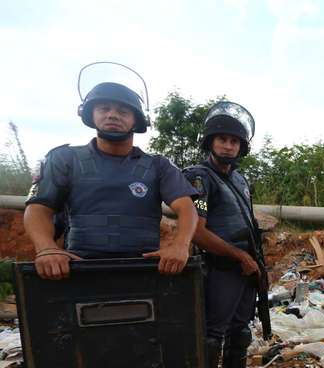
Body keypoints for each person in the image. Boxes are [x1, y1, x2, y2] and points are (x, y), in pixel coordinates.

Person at [24, 80, 198, 279]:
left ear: (136, 120)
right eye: (104, 108)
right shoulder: (64, 159)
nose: (112, 115)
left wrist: (180, 246)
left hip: (144, 270)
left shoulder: (159, 165)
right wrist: (47, 248)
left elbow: (188, 207)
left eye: (123, 111)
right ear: (90, 114)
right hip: (80, 269)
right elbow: (38, 208)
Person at [183, 101, 270, 368]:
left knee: (240, 333)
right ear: (210, 142)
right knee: (211, 337)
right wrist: (237, 256)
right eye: (222, 139)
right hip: (218, 268)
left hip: (244, 268)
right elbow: (196, 231)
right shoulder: (198, 179)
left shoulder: (240, 180)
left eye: (234, 141)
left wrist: (253, 261)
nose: (228, 145)